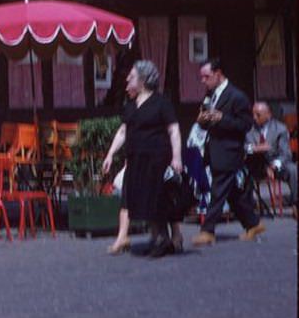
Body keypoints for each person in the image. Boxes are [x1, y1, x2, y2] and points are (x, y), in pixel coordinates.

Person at [101, 60, 182, 257]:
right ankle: (157, 239)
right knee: (140, 200)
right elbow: (123, 132)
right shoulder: (130, 106)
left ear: (143, 80)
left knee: (156, 199)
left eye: (132, 76)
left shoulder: (161, 103)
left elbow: (173, 130)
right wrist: (110, 154)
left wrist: (177, 157)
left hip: (156, 158)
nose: (128, 79)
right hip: (135, 159)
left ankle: (162, 239)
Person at [192, 58, 265, 246]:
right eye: (202, 77)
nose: (203, 81)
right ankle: (253, 223)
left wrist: (222, 118)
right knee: (232, 192)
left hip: (229, 151)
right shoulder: (211, 94)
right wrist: (202, 120)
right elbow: (208, 120)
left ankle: (207, 231)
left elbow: (245, 124)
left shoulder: (237, 96)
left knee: (217, 191)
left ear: (218, 74)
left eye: (206, 77)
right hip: (214, 149)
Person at [245, 101, 297, 219]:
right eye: (253, 114)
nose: (254, 118)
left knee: (293, 169)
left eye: (258, 115)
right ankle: (247, 207)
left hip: (275, 163)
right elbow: (242, 147)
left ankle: (295, 203)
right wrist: (254, 148)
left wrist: (274, 165)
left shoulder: (280, 129)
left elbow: (285, 153)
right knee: (241, 172)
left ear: (268, 115)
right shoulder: (249, 129)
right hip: (256, 164)